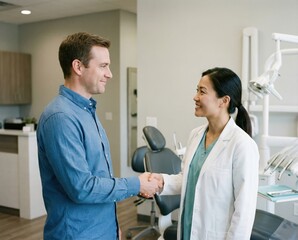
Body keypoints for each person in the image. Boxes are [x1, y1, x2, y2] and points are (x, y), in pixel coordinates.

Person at [37, 32, 159, 240]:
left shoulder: (86, 111)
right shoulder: (61, 118)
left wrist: (113, 226)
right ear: (78, 67)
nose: (109, 74)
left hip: (102, 229)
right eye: (103, 66)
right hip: (77, 234)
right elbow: (82, 188)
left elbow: (100, 178)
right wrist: (136, 184)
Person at [151, 67, 259, 240]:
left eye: (202, 92)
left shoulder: (242, 145)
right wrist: (161, 181)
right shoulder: (196, 135)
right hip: (187, 229)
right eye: (197, 90)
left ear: (223, 101)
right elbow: (188, 178)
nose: (195, 97)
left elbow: (244, 211)